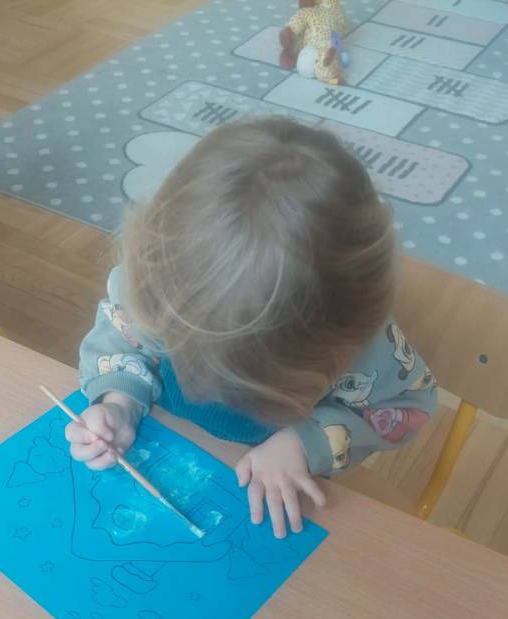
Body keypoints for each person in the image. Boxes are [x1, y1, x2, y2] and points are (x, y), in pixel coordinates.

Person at [68, 118, 437, 538]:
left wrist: (303, 442)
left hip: (283, 481)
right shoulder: (158, 288)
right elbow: (123, 340)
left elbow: (410, 404)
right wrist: (119, 401)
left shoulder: (365, 350)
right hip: (174, 442)